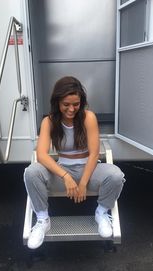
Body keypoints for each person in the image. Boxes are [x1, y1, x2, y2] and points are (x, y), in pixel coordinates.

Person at [24, 76, 125, 249]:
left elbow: (94, 154)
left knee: (116, 175)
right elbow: (41, 154)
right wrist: (65, 176)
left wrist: (83, 182)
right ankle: (42, 220)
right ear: (57, 102)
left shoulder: (88, 117)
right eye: (66, 104)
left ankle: (101, 213)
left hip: (89, 170)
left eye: (76, 104)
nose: (71, 109)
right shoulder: (48, 122)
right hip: (63, 172)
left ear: (81, 102)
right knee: (31, 172)